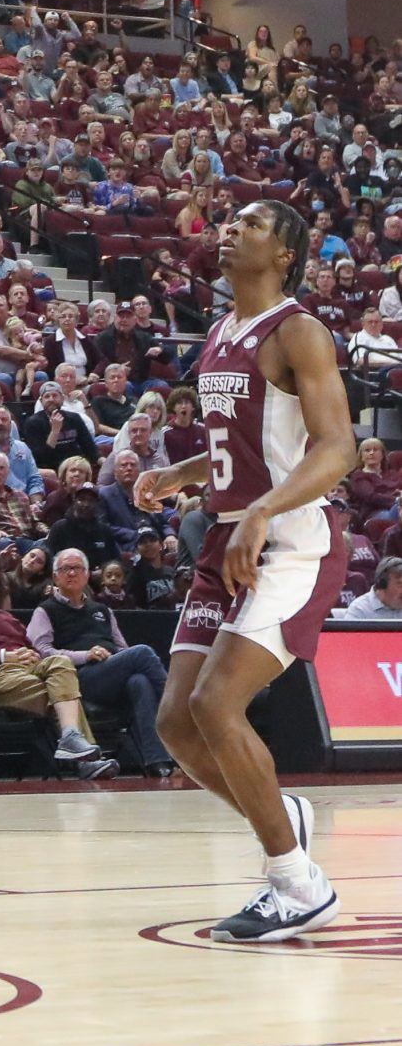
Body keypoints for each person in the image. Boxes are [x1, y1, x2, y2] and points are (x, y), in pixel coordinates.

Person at [140, 199, 354, 942]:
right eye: (226, 222)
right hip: (226, 541)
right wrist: (183, 473)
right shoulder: (221, 333)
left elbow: (335, 449)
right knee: (175, 719)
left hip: (291, 539)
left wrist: (261, 511)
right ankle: (280, 817)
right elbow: (248, 441)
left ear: (285, 254)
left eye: (251, 225)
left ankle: (297, 885)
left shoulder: (299, 331)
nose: (229, 230)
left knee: (216, 704)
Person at [0, 559, 118, 776]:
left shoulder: (6, 617)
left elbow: (27, 644)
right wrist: (6, 656)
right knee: (63, 697)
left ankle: (71, 738)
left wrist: (30, 653)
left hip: (28, 668)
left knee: (60, 663)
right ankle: (87, 761)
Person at [26, 547, 173, 777]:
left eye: (77, 568)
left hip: (111, 672)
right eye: (65, 569)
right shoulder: (44, 611)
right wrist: (86, 655)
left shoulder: (102, 610)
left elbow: (122, 647)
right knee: (143, 652)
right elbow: (43, 653)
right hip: (77, 678)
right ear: (55, 577)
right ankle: (178, 707)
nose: (72, 573)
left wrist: (116, 661)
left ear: (86, 575)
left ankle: (158, 762)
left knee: (139, 681)